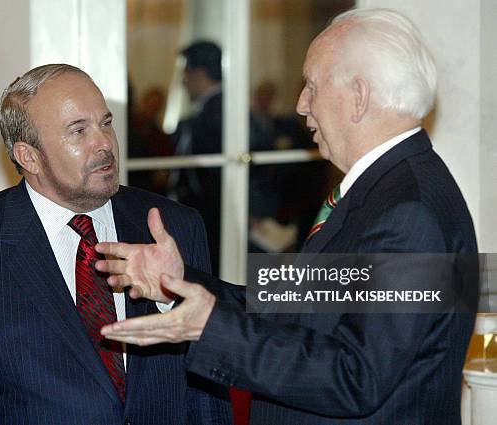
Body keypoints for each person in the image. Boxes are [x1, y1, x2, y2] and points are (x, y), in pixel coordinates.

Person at [97, 8, 477, 425]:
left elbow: (356, 379)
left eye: (312, 86)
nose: (300, 105)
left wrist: (210, 328)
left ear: (359, 96)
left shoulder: (409, 211)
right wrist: (182, 283)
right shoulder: (389, 191)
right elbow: (293, 305)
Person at [0, 64, 232, 425]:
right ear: (28, 156)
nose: (104, 143)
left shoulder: (174, 227)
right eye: (78, 131)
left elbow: (205, 390)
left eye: (105, 123)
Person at [167, 40, 223, 274]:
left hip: (212, 216)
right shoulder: (211, 111)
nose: (183, 81)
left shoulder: (214, 116)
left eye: (186, 73)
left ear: (199, 73)